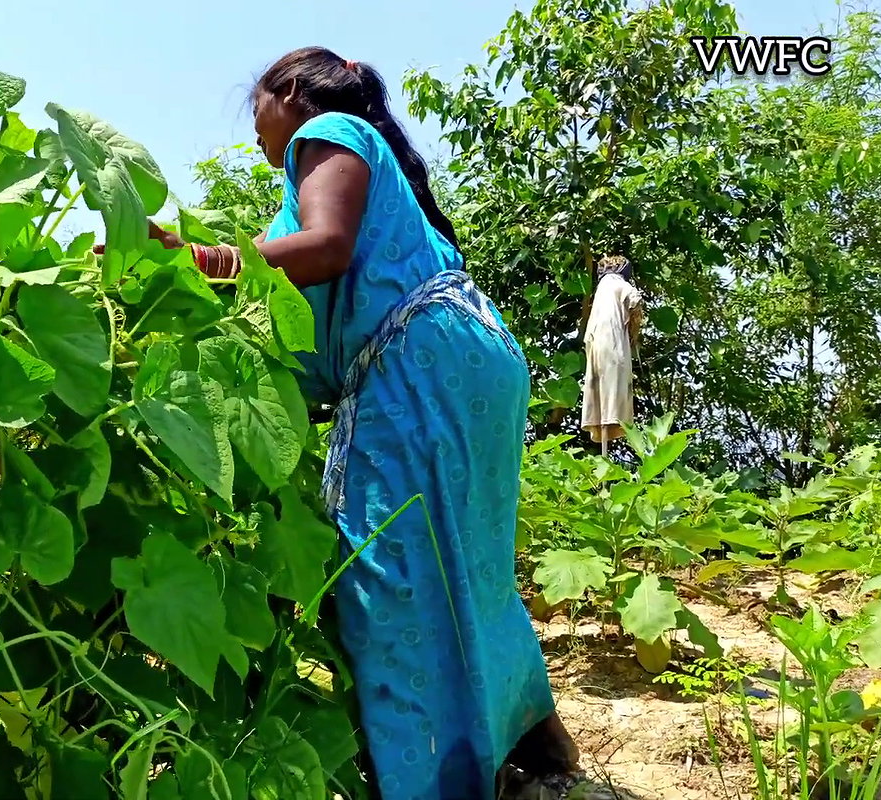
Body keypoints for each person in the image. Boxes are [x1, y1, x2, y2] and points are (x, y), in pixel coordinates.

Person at [133, 46, 579, 799]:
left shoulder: (330, 132)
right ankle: (532, 745)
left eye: (257, 113)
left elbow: (327, 247)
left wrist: (193, 259)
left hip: (419, 370)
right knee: (467, 567)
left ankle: (434, 783)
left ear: (291, 93)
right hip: (464, 360)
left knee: (392, 577)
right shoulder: (373, 179)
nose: (257, 137)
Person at [581, 255, 644, 455]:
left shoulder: (601, 289)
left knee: (600, 396)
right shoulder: (618, 284)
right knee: (614, 397)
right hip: (614, 345)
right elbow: (636, 302)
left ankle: (603, 432)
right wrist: (634, 333)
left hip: (595, 346)